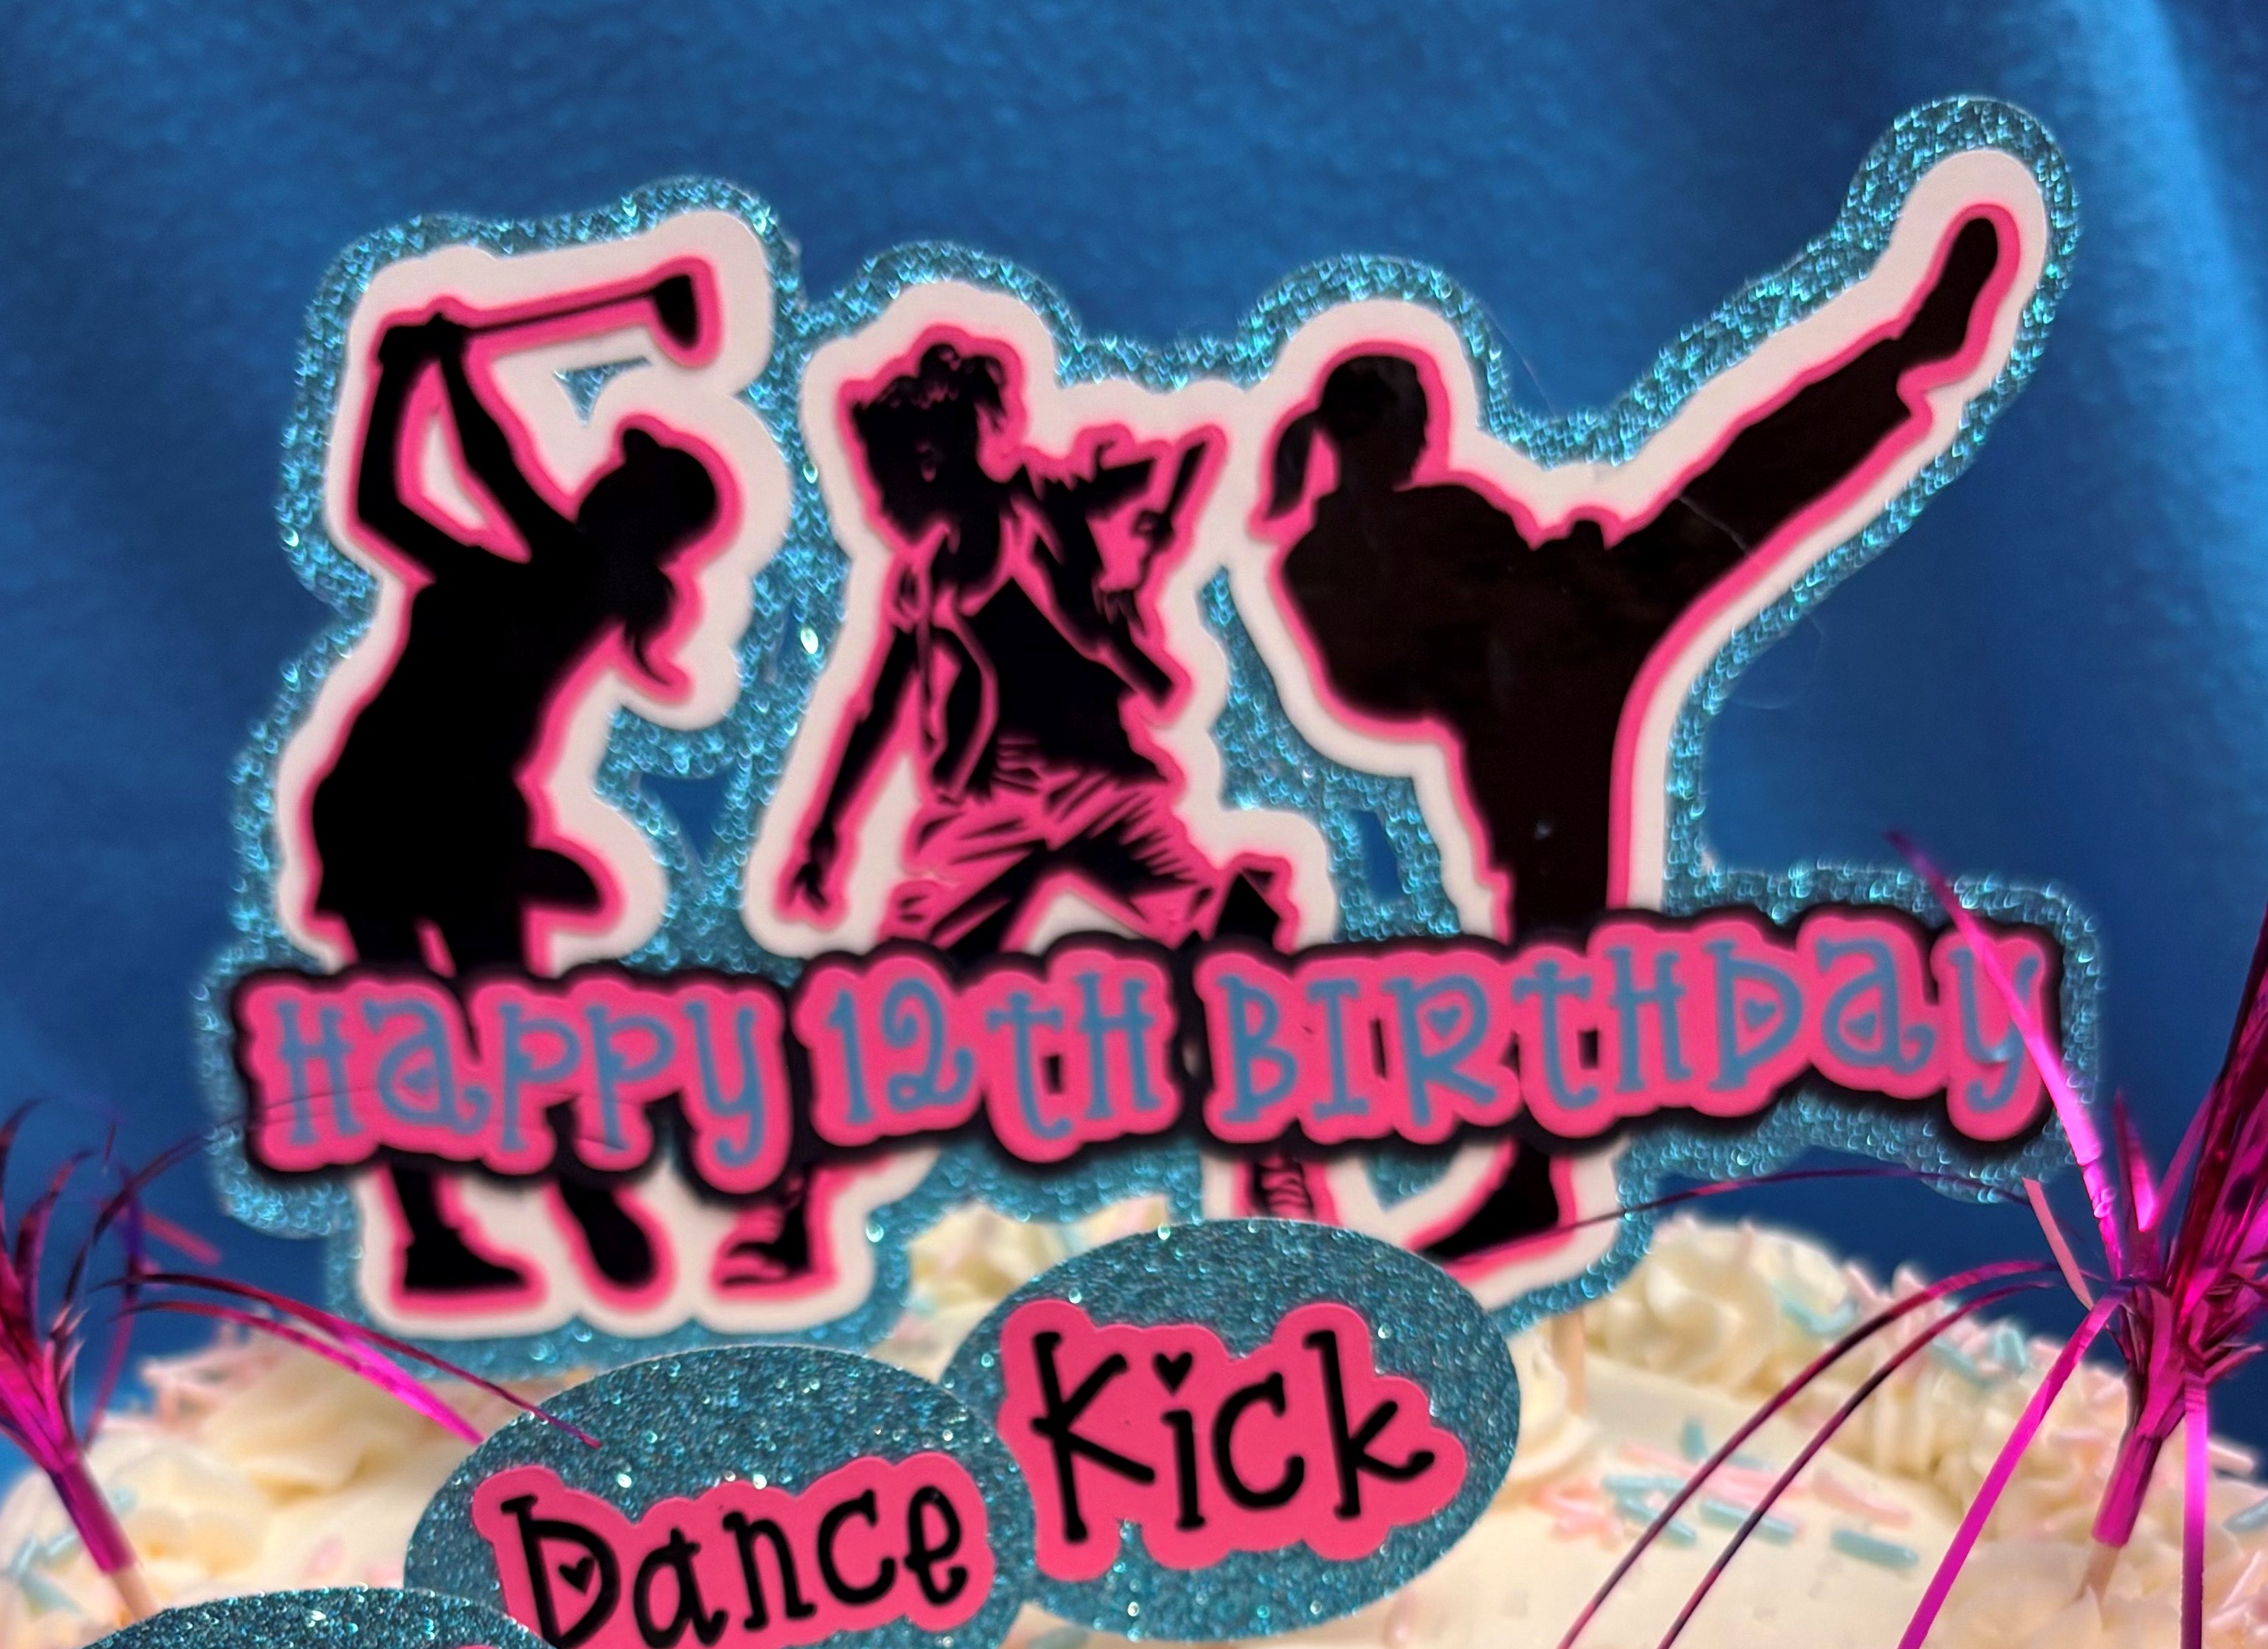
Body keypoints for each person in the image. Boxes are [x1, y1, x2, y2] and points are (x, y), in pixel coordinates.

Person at [1260, 211, 2009, 1261]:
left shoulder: (1393, 526)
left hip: (1588, 621)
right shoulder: (1327, 550)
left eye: (1408, 411)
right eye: (1388, 415)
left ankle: (1910, 348)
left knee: (1749, 472)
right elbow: (1366, 688)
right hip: (1532, 705)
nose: (1412, 433)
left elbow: (1393, 663)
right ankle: (1536, 1173)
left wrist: (1537, 587)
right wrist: (1497, 619)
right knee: (1558, 935)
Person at [304, 294, 722, 1304]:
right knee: (412, 1025)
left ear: (645, 520)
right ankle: (435, 1241)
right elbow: (379, 507)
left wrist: (442, 370)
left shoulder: (576, 576)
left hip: (455, 816)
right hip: (373, 801)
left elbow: (494, 468)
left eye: (624, 481)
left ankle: (585, 1209)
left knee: (502, 1022)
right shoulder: (507, 569)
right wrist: (402, 381)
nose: (601, 479)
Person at [783, 339, 1284, 960]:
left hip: (1096, 782)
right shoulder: (924, 579)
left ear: (930, 460)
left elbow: (1196, 445)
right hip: (995, 805)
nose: (875, 501)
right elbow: (879, 709)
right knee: (921, 967)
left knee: (1211, 922)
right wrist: (826, 830)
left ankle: (1249, 943)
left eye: (880, 477)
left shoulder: (1048, 509)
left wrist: (1154, 529)